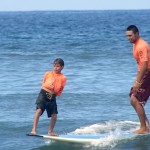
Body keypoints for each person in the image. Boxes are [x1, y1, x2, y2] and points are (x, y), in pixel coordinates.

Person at [31, 58, 67, 136]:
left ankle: (50, 131)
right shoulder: (48, 73)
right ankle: (33, 130)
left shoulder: (63, 77)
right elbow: (43, 82)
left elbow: (61, 88)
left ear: (62, 67)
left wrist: (55, 94)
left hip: (52, 96)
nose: (55, 68)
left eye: (57, 66)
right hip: (43, 94)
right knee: (39, 110)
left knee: (54, 115)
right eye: (54, 66)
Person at [126, 25, 150, 134]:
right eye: (127, 36)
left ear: (137, 34)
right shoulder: (135, 44)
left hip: (148, 73)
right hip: (144, 73)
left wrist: (138, 81)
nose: (128, 38)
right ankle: (147, 126)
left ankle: (144, 128)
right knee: (134, 97)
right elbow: (140, 65)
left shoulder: (141, 46)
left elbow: (145, 65)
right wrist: (137, 78)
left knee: (134, 99)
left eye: (130, 36)